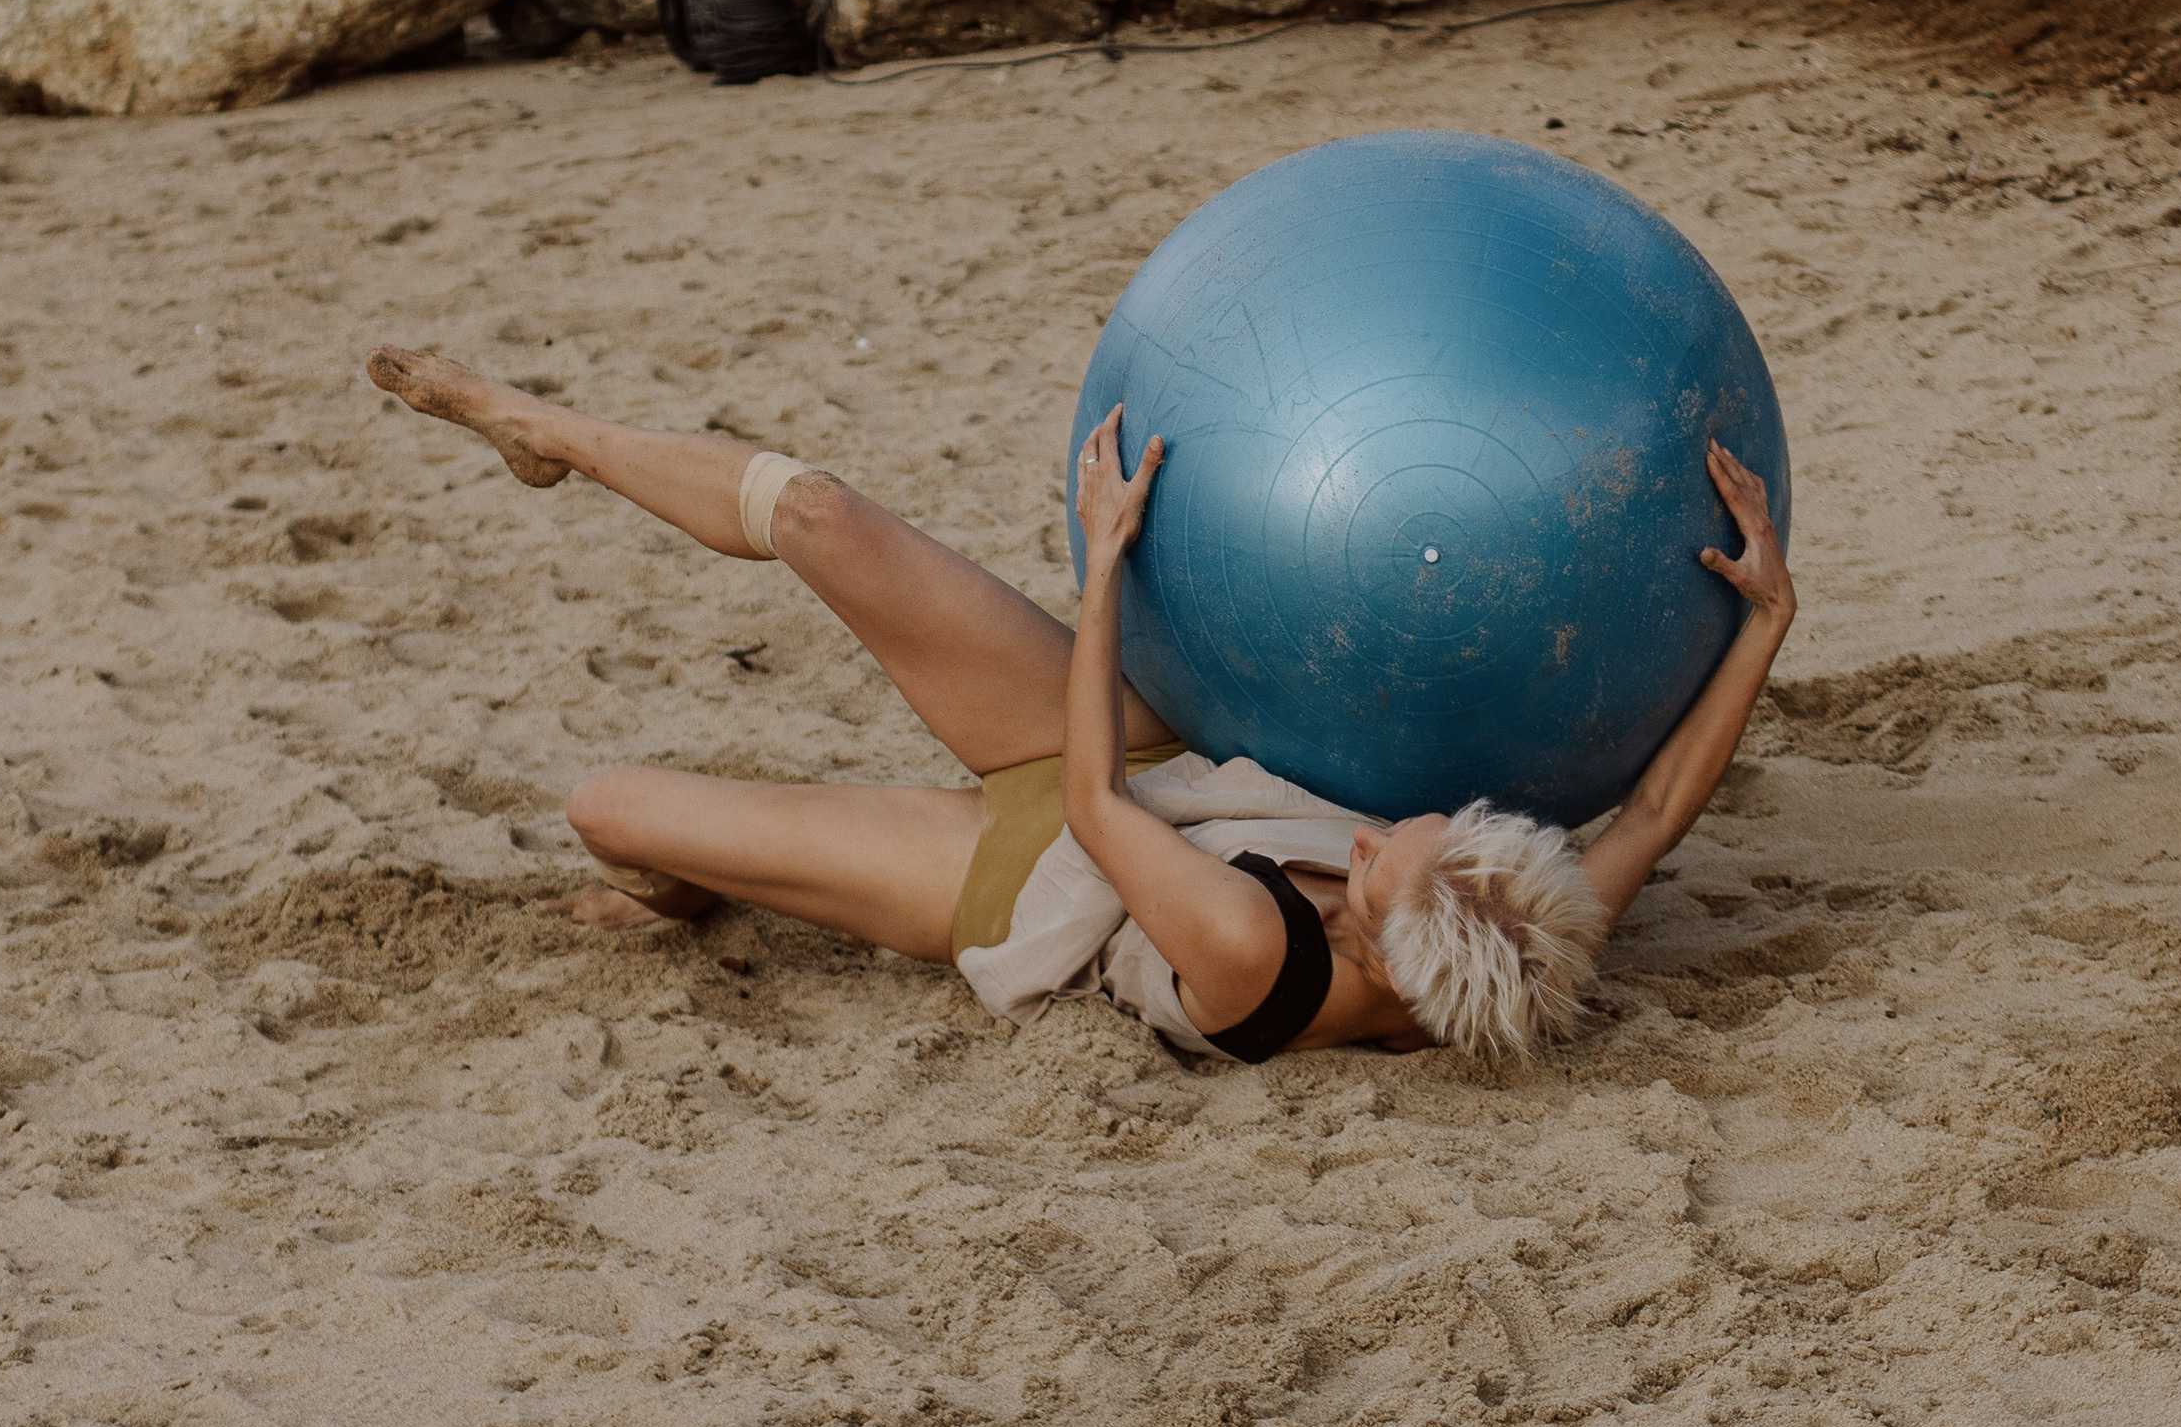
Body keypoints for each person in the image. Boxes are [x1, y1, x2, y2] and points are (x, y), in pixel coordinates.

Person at [363, 342, 1797, 1065]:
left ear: (1374, 932)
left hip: (1022, 874)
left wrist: (1104, 558)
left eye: (1380, 852)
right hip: (1156, 761)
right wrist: (1766, 617)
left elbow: (1099, 815)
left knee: (604, 805)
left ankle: (681, 888)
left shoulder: (1253, 949)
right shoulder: (1523, 924)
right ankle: (548, 431)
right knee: (817, 510)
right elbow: (1660, 802)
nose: (1384, 825)